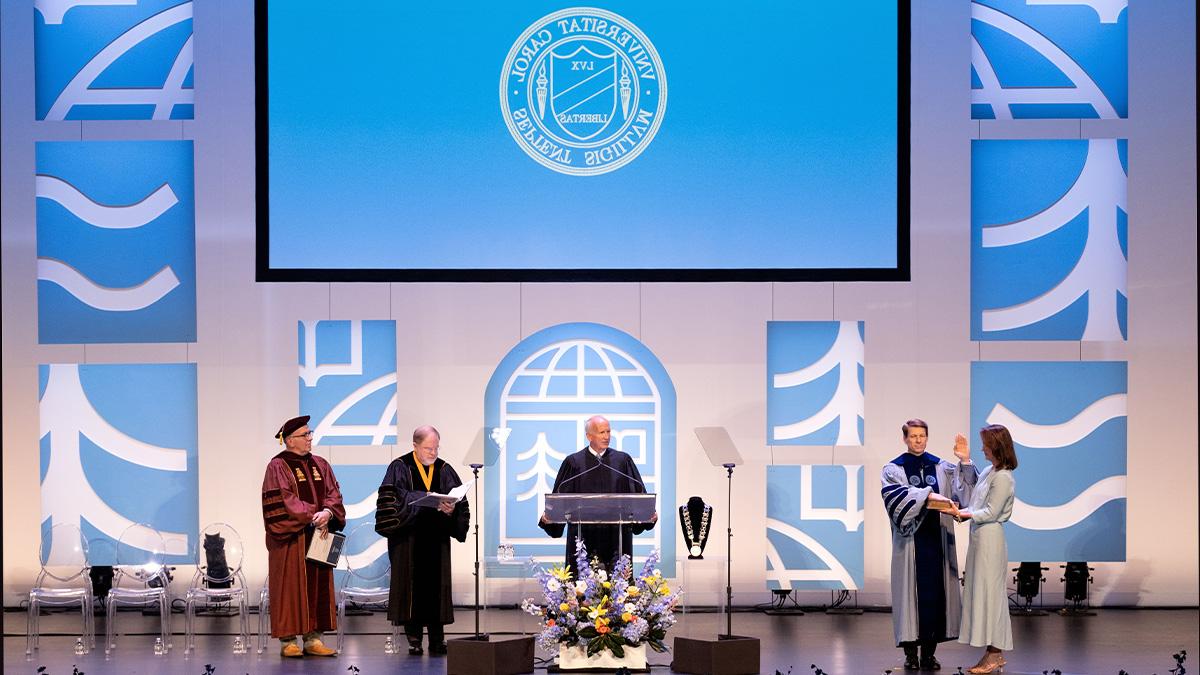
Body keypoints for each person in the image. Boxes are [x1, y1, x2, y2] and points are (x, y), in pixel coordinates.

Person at [881, 419, 977, 670]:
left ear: (927, 437)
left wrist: (965, 461)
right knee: (909, 599)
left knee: (935, 597)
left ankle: (929, 654)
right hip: (910, 544)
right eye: (913, 436)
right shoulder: (894, 469)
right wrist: (926, 494)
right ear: (905, 439)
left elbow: (965, 495)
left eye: (922, 436)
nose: (918, 440)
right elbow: (894, 499)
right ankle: (911, 656)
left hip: (937, 543)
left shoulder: (942, 467)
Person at [374, 426, 470, 656]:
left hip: (436, 540)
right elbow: (390, 501)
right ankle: (414, 639)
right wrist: (422, 498)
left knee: (437, 588)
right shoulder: (399, 467)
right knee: (411, 588)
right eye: (428, 448)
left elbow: (459, 502)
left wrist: (449, 510)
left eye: (436, 447)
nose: (433, 452)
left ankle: (438, 640)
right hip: (408, 540)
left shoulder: (445, 469)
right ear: (415, 445)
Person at [261, 415, 346, 657]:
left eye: (310, 434)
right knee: (289, 587)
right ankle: (288, 641)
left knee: (320, 585)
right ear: (289, 440)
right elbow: (283, 502)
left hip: (320, 534)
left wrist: (328, 512)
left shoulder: (321, 464)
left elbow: (334, 493)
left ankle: (313, 639)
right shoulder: (277, 466)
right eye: (304, 435)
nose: (310, 438)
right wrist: (312, 514)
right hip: (292, 539)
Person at [538, 415, 657, 576]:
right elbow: (560, 498)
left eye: (608, 431)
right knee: (582, 588)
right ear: (589, 436)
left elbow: (637, 494)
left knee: (617, 588)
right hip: (583, 536)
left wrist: (646, 516)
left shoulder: (623, 461)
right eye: (602, 432)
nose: (607, 436)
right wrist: (551, 518)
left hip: (617, 537)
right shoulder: (573, 462)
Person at [956, 424, 1018, 674]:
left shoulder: (1003, 477)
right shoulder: (991, 471)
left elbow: (991, 511)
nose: (982, 447)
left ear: (996, 446)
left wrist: (965, 514)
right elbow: (975, 488)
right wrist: (965, 460)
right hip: (980, 538)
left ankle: (995, 654)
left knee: (991, 595)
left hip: (990, 540)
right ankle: (991, 653)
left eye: (985, 444)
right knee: (981, 592)